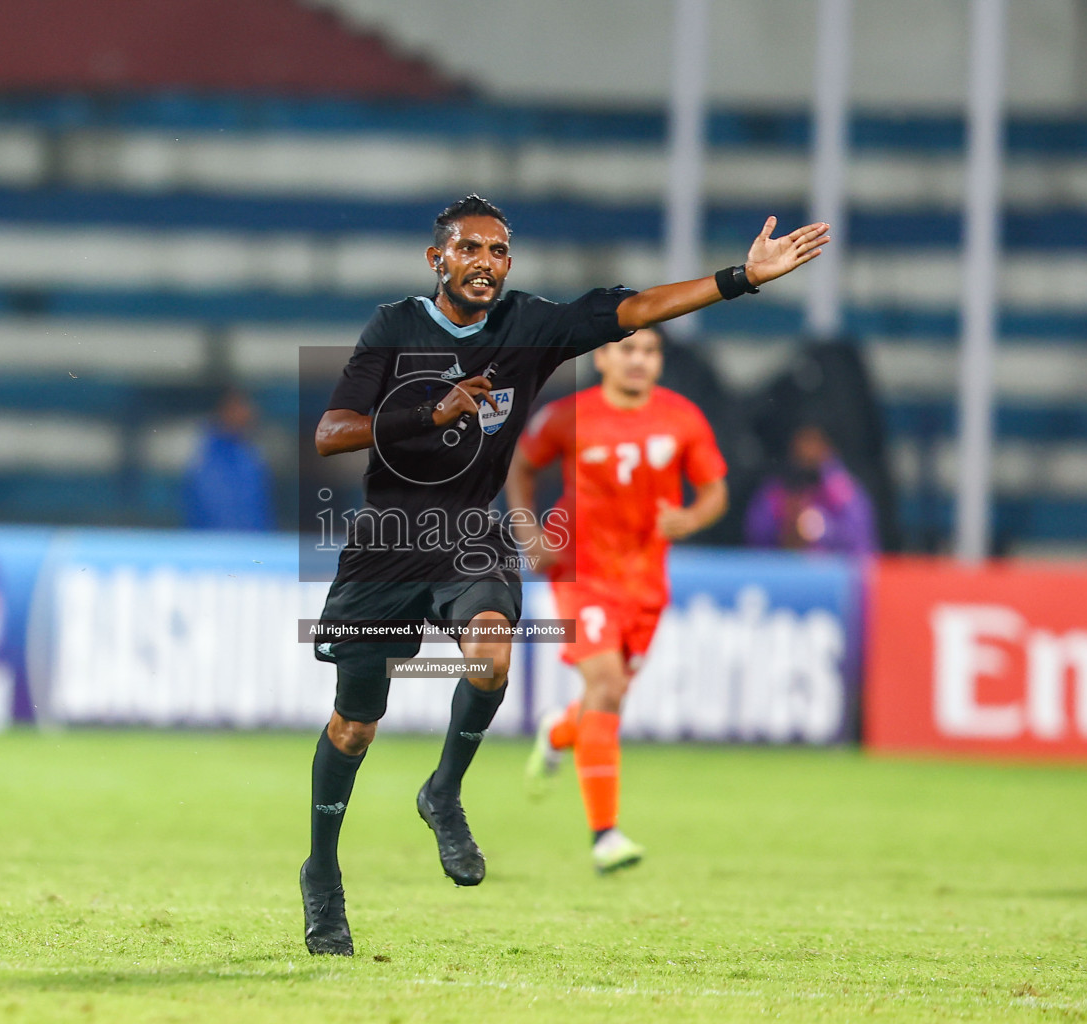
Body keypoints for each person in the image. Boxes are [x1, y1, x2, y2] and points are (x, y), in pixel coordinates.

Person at [303, 194, 828, 956]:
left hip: (469, 535)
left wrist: (740, 277)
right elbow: (330, 434)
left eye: (499, 251)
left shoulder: (528, 327)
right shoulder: (394, 328)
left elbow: (636, 308)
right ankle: (321, 875)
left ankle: (443, 791)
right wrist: (431, 414)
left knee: (491, 659)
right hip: (387, 542)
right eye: (471, 248)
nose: (486, 261)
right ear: (437, 259)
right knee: (354, 726)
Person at [506, 326, 727, 873]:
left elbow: (716, 490)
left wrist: (691, 518)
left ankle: (559, 730)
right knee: (605, 685)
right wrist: (528, 532)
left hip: (646, 583)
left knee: (609, 697)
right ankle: (605, 836)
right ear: (602, 355)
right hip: (581, 573)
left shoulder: (682, 418)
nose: (638, 360)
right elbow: (520, 467)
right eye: (627, 349)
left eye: (649, 351)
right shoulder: (567, 416)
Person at [744, 422, 876, 555]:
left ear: (827, 446)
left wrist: (823, 528)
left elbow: (860, 539)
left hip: (836, 570)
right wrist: (786, 527)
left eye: (813, 442)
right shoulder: (775, 490)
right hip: (784, 569)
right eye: (802, 442)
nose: (806, 450)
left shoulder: (843, 489)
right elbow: (756, 538)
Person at [180, 389, 274, 531]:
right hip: (216, 544)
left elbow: (260, 506)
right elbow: (215, 506)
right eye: (239, 407)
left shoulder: (249, 452)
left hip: (252, 545)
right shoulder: (205, 452)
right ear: (224, 410)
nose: (247, 413)